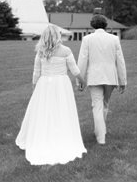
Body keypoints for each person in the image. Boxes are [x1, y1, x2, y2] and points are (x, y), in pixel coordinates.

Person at [16, 24, 87, 165]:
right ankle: (62, 136)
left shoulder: (41, 51)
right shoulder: (66, 50)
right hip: (61, 84)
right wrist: (82, 81)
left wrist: (35, 86)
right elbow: (74, 70)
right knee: (62, 110)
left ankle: (44, 137)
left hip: (44, 84)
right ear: (57, 36)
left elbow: (36, 73)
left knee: (44, 111)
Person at [77, 13, 127, 145]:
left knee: (97, 106)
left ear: (92, 25)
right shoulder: (114, 39)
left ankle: (101, 136)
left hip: (94, 76)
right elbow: (120, 61)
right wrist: (123, 81)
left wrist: (79, 80)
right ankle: (101, 133)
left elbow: (82, 60)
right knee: (104, 104)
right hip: (110, 76)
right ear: (105, 25)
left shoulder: (87, 39)